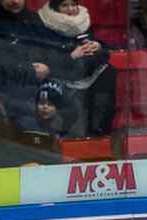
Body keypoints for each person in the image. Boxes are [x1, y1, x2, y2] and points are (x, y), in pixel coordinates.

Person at [0, 0, 59, 125]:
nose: (16, 1)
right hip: (4, 96)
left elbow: (53, 52)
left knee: (70, 107)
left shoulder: (32, 19)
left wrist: (48, 67)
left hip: (37, 90)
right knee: (29, 123)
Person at [37, 0, 116, 138]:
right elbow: (46, 61)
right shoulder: (43, 24)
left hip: (84, 71)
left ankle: (97, 128)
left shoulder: (82, 21)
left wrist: (97, 45)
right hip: (60, 73)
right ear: (55, 7)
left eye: (73, 4)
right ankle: (58, 135)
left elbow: (93, 42)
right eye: (65, 5)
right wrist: (73, 56)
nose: (71, 9)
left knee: (108, 71)